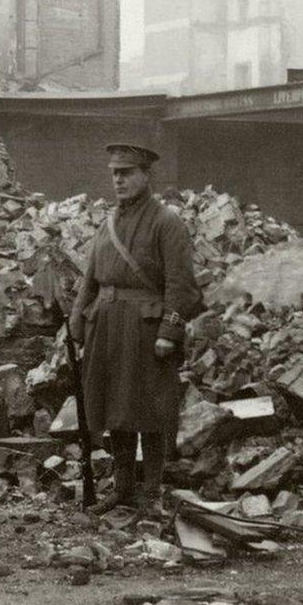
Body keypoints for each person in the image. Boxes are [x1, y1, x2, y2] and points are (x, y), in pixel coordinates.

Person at [69, 143, 203, 514]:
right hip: (107, 327)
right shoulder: (107, 223)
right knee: (116, 410)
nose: (119, 180)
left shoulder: (166, 222)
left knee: (152, 412)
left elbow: (183, 287)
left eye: (127, 173)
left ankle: (152, 494)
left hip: (146, 330)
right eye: (115, 173)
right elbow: (89, 281)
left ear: (146, 175)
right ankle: (123, 489)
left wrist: (169, 332)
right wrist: (78, 327)